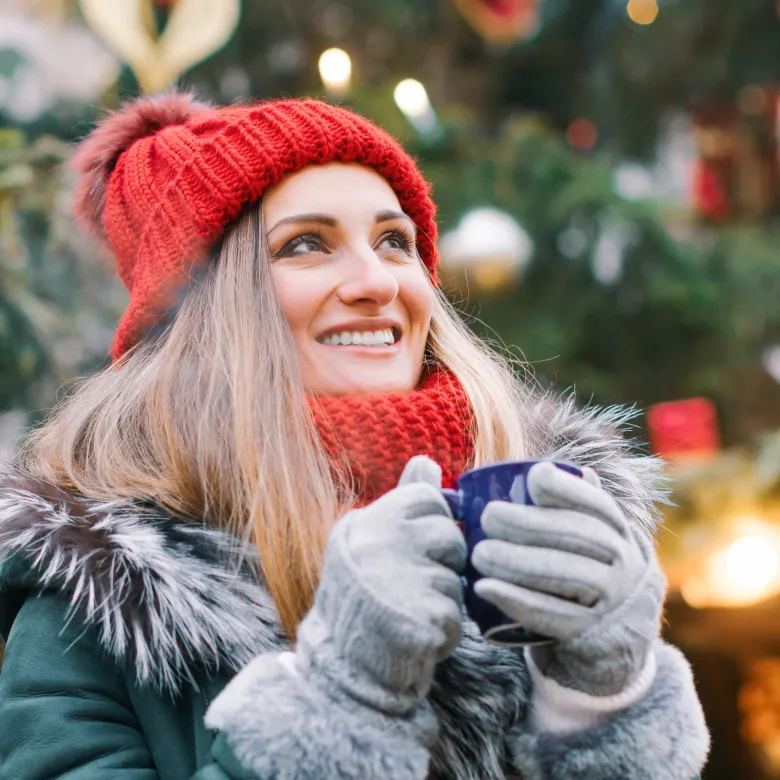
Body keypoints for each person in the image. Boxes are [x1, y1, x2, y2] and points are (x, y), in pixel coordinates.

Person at [0, 92, 708, 780]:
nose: (377, 281)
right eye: (306, 244)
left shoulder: (536, 515)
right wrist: (339, 698)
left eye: (394, 241)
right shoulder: (96, 603)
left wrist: (602, 701)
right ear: (208, 313)